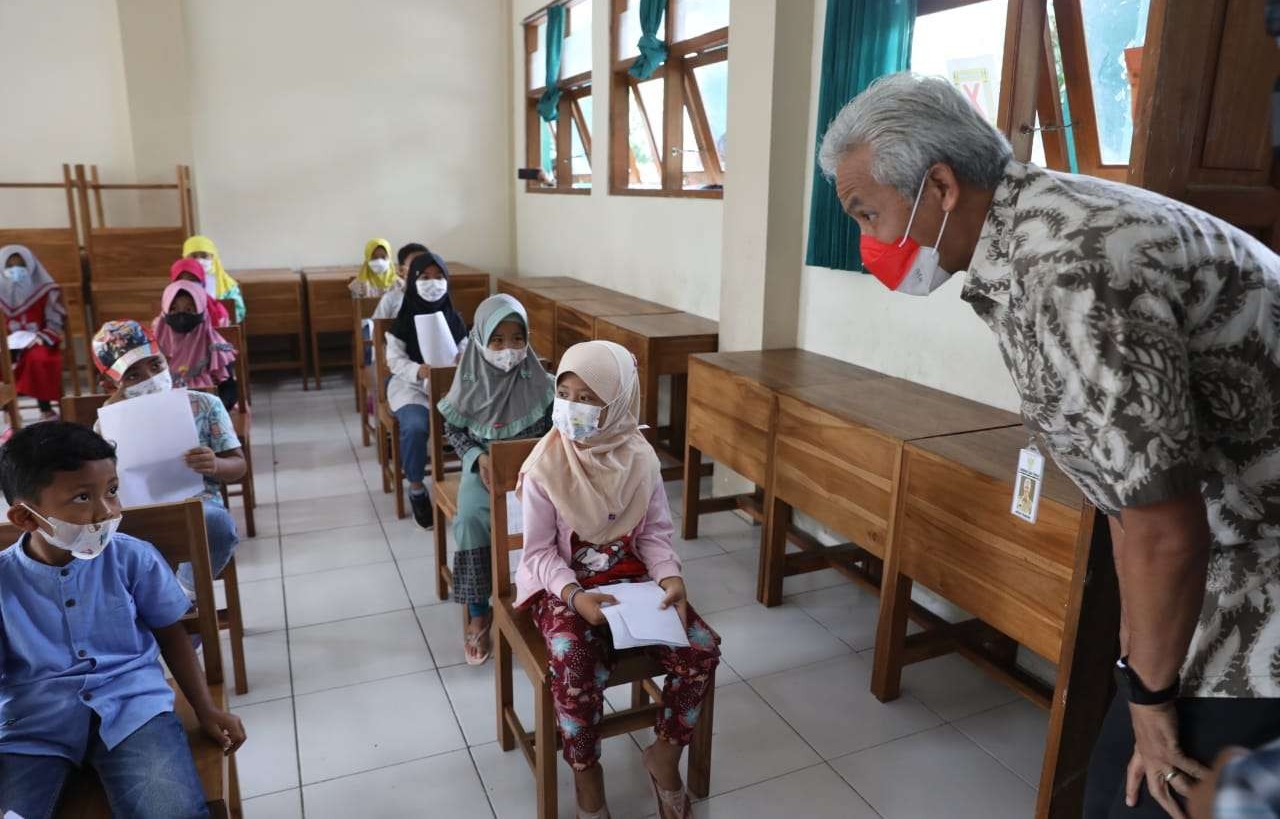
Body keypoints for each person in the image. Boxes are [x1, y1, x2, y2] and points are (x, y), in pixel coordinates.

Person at [818, 71, 1280, 818]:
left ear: (939, 186)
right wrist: (1137, 653)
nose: (866, 240)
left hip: (1258, 578)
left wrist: (1152, 697)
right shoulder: (1039, 221)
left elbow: (1164, 527)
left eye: (867, 211)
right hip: (1222, 551)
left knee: (1141, 790)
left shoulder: (1069, 268)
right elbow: (1132, 491)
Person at [515, 340, 720, 819]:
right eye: (564, 393)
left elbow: (654, 536)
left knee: (701, 651)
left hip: (633, 584)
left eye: (588, 398)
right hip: (564, 587)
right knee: (577, 658)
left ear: (618, 403)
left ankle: (665, 755)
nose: (570, 408)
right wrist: (576, 596)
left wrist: (670, 577)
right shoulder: (547, 465)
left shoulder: (640, 458)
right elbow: (540, 553)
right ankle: (587, 775)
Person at [0, 420, 246, 819]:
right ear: (26, 518)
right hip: (33, 728)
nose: (108, 511)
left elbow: (173, 634)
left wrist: (206, 709)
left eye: (112, 490)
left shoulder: (132, 556)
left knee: (171, 810)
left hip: (132, 710)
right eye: (83, 497)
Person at [438, 294, 554, 665]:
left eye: (517, 338)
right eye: (498, 340)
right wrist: (478, 456)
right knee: (471, 519)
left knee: (557, 516)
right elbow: (454, 430)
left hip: (535, 471)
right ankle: (478, 611)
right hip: (485, 470)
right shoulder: (469, 381)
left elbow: (557, 430)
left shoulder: (542, 382)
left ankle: (542, 596)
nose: (509, 348)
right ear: (481, 340)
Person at [91, 321, 245, 595]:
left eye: (155, 365)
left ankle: (183, 597)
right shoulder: (107, 424)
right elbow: (101, 486)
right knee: (100, 540)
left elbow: (238, 466)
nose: (150, 378)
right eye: (133, 376)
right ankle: (147, 610)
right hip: (135, 512)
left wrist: (216, 464)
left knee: (217, 525)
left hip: (197, 505)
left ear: (167, 360)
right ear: (109, 385)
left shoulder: (205, 405)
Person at [385, 251, 467, 528]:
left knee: (478, 421)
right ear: (412, 280)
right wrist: (417, 370)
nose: (433, 283)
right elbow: (393, 359)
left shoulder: (453, 317)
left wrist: (460, 359)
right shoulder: (403, 318)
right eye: (425, 277)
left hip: (450, 387)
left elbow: (466, 349)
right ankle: (418, 488)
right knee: (417, 426)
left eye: (439, 277)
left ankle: (471, 484)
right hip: (411, 387)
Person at [0, 245, 66, 419]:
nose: (15, 270)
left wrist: (41, 337)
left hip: (37, 341)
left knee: (39, 359)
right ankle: (8, 411)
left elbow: (54, 322)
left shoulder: (45, 290)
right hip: (4, 343)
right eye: (10, 266)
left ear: (30, 266)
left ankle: (45, 409)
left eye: (20, 265)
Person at [153, 281, 238, 411]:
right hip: (165, 413)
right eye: (174, 309)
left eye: (189, 309)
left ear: (201, 311)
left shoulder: (216, 346)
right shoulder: (152, 346)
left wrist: (212, 411)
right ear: (165, 311)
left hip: (207, 412)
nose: (181, 316)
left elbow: (229, 390)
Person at [182, 236, 244, 324]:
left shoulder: (227, 284)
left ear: (213, 257)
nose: (199, 260)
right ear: (185, 258)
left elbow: (238, 311)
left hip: (221, 329)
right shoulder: (180, 283)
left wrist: (223, 319)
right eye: (194, 256)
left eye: (204, 256)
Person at [372, 243, 430, 321]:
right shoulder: (390, 299)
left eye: (426, 263)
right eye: (415, 263)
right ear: (401, 270)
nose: (422, 268)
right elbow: (377, 329)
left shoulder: (436, 296)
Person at [171, 258, 230, 328]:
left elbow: (224, 335)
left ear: (202, 283)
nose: (187, 285)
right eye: (181, 281)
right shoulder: (169, 308)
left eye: (192, 280)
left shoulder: (218, 313)